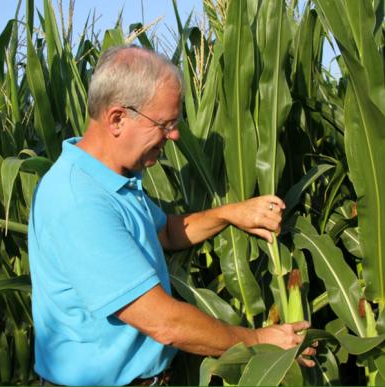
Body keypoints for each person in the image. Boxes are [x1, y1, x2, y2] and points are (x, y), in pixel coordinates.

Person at [28, 45, 316, 386]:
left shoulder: (112, 177)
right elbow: (164, 322)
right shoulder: (79, 200)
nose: (175, 135)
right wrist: (257, 340)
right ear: (117, 119)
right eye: (163, 124)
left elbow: (165, 233)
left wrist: (230, 213)